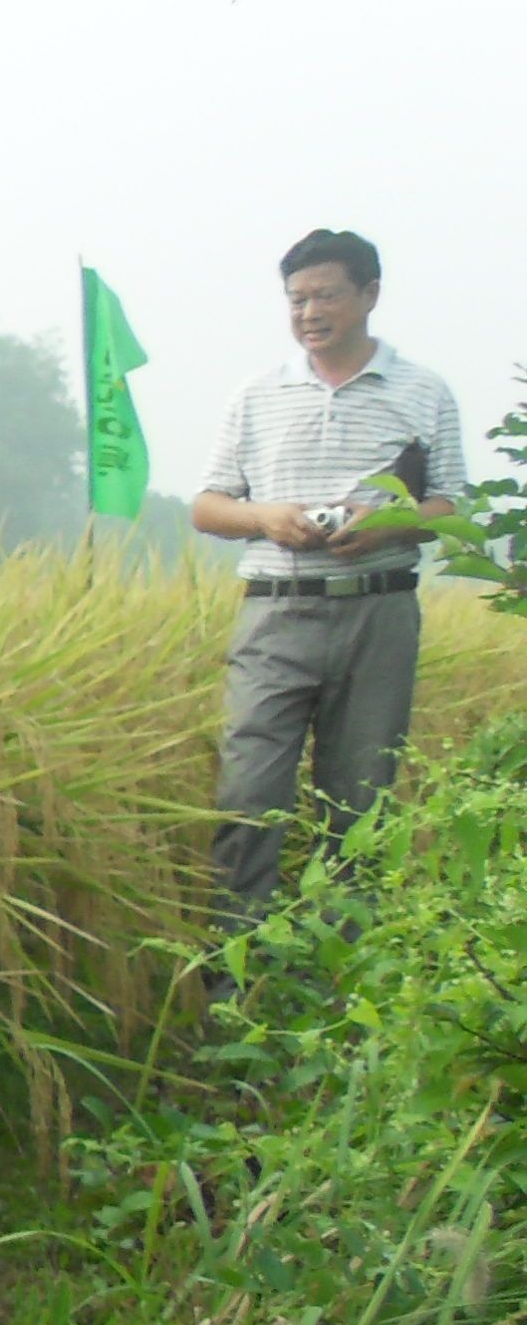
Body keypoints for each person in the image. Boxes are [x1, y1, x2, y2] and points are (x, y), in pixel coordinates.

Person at [188, 228, 471, 933]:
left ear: (370, 295)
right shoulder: (256, 395)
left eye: (326, 295)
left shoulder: (423, 390)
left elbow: (452, 507)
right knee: (248, 796)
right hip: (276, 615)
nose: (309, 312)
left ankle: (342, 992)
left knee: (360, 805)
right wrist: (265, 518)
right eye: (296, 298)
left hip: (379, 615)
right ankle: (233, 989)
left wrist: (386, 525)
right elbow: (208, 506)